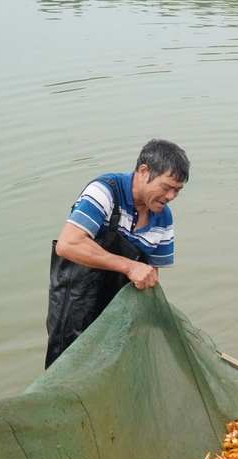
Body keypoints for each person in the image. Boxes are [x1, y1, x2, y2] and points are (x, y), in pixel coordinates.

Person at [45, 139, 190, 368]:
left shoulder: (163, 219)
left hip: (118, 312)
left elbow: (150, 275)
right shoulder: (105, 191)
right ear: (144, 172)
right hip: (75, 304)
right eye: (166, 187)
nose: (171, 196)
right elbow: (68, 244)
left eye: (177, 191)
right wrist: (130, 266)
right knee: (67, 367)